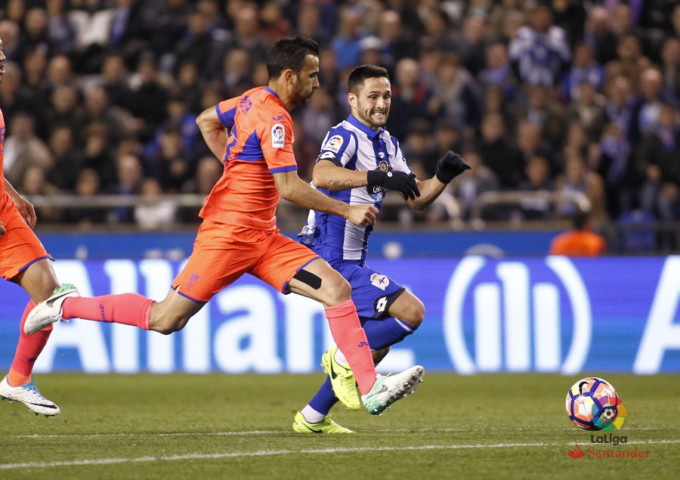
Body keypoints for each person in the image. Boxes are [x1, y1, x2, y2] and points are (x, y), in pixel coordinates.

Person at [24, 37, 424, 416]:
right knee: (166, 319)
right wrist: (346, 212)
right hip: (228, 235)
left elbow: (205, 121)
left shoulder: (251, 99)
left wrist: (235, 165)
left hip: (264, 237)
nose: (317, 83)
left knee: (335, 288)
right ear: (289, 76)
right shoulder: (276, 120)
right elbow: (289, 186)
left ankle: (369, 388)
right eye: (312, 75)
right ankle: (65, 304)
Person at [292, 65, 470, 434]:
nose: (381, 103)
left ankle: (312, 417)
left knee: (376, 344)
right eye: (373, 96)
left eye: (386, 95)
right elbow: (321, 175)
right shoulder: (344, 135)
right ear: (353, 99)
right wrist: (378, 177)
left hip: (353, 260)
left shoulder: (386, 143)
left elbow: (416, 198)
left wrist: (443, 177)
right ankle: (341, 358)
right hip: (329, 258)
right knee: (411, 311)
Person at [0, 38, 62, 416]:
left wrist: (14, 192)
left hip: (4, 209)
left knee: (48, 293)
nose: (3, 56)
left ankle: (17, 379)